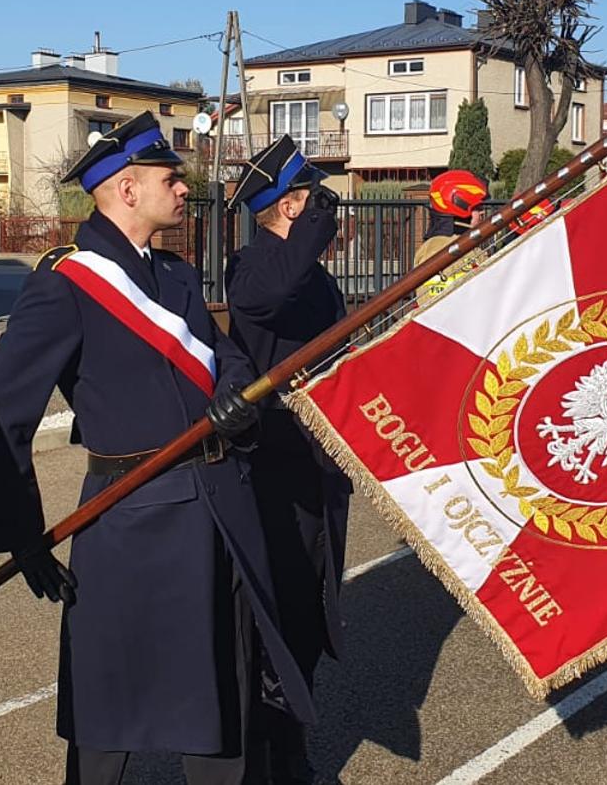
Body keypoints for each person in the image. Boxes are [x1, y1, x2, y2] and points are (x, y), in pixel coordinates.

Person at [0, 111, 313, 785]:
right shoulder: (66, 283)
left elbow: (228, 358)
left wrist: (236, 402)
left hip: (220, 506)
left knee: (225, 692)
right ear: (126, 189)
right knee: (109, 705)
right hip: (134, 515)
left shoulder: (175, 275)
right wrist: (20, 534)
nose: (183, 188)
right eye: (169, 178)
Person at [222, 136, 351, 783]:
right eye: (314, 197)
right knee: (276, 615)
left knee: (308, 608)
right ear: (292, 206)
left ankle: (292, 747)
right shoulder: (251, 266)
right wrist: (317, 227)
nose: (327, 208)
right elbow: (271, 298)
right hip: (277, 470)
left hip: (318, 467)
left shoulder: (310, 271)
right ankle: (268, 757)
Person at [414, 169, 490, 301]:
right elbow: (432, 301)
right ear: (460, 205)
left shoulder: (462, 244)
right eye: (477, 208)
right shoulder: (437, 249)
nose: (482, 212)